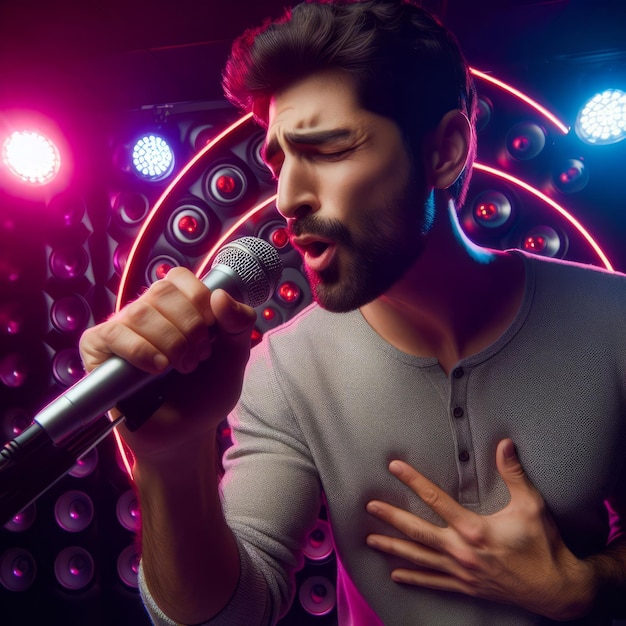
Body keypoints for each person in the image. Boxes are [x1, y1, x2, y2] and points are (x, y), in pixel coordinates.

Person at [79, 0, 626, 624]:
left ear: (444, 151)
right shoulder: (280, 368)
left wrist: (588, 587)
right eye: (279, 159)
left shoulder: (615, 318)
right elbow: (229, 615)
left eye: (330, 149)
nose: (287, 197)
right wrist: (171, 458)